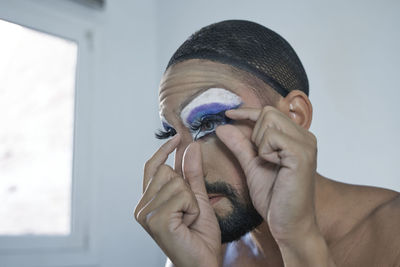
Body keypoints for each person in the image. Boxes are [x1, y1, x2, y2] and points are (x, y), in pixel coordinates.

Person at [134, 20, 400, 267]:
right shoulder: (202, 246)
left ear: (294, 117)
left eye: (208, 123)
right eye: (171, 135)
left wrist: (298, 237)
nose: (184, 169)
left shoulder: (392, 235)